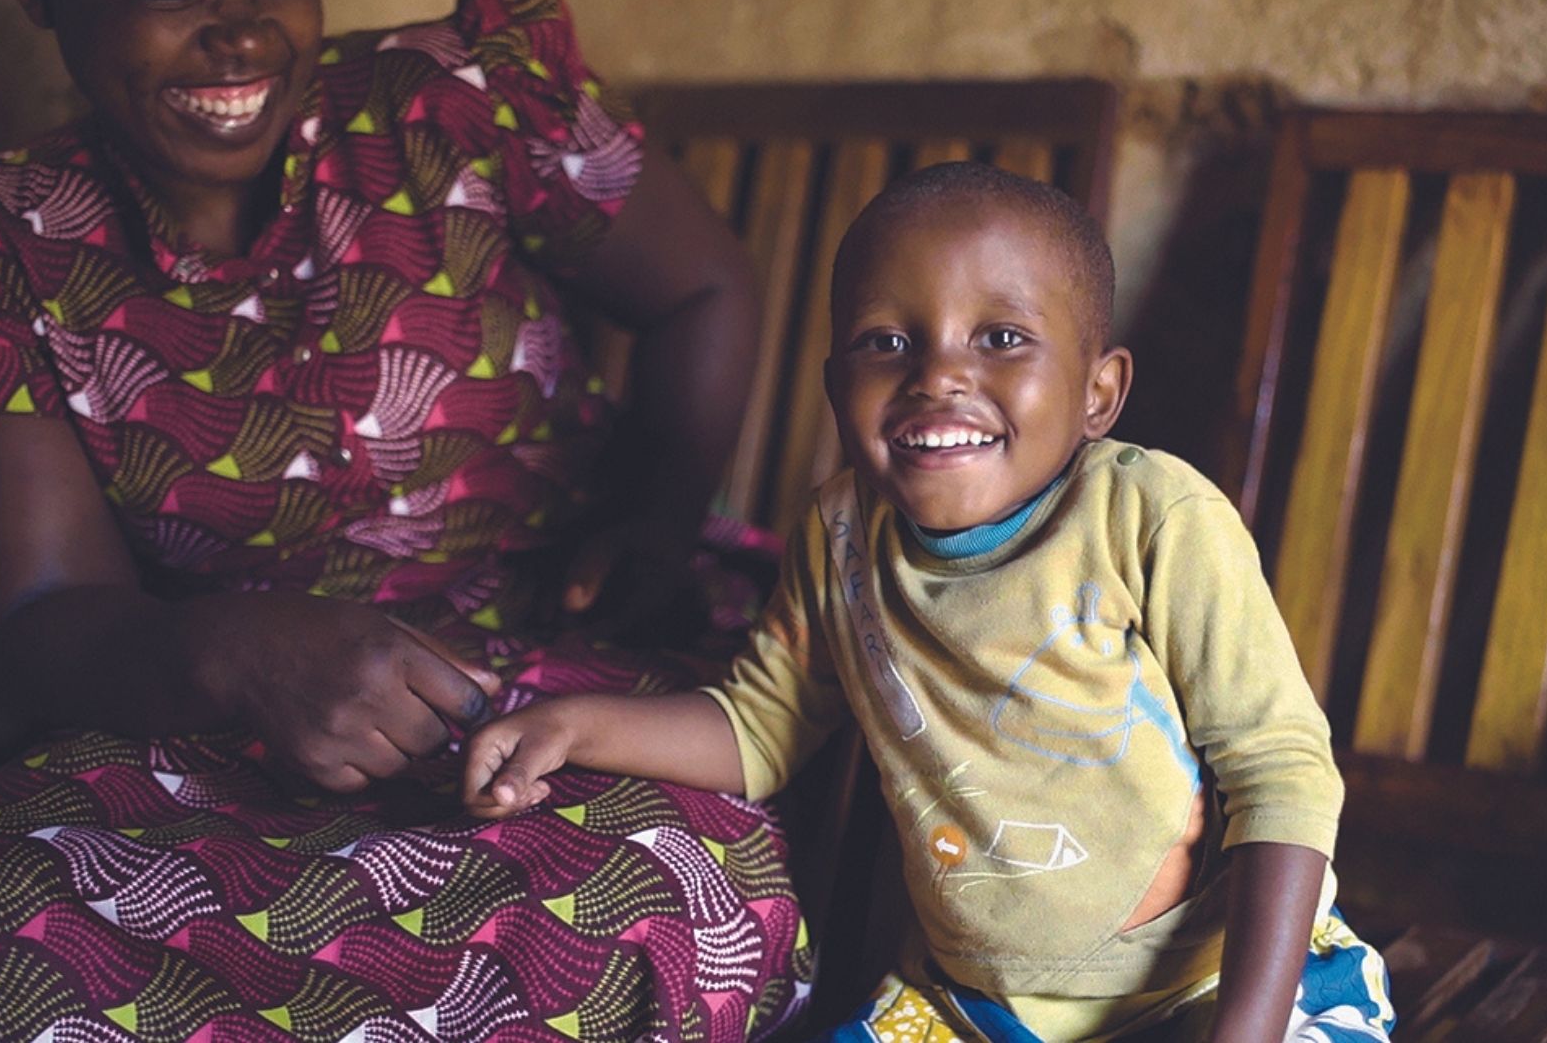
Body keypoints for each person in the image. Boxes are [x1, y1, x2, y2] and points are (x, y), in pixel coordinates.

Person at [0, 0, 810, 1037]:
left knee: (646, 894)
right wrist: (235, 658)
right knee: (6, 900)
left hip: (566, 664)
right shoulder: (1, 246)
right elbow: (39, 610)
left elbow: (703, 288)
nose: (240, 34)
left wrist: (656, 519)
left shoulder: (446, 102)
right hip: (213, 718)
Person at [464, 162, 1396, 1042]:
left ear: (1098, 392)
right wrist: (576, 729)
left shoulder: (1151, 517)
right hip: (983, 1007)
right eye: (886, 341)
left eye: (1001, 338)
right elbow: (760, 729)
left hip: (1224, 982)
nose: (938, 375)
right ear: (838, 389)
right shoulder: (840, 536)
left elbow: (1282, 774)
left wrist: (1247, 1029)